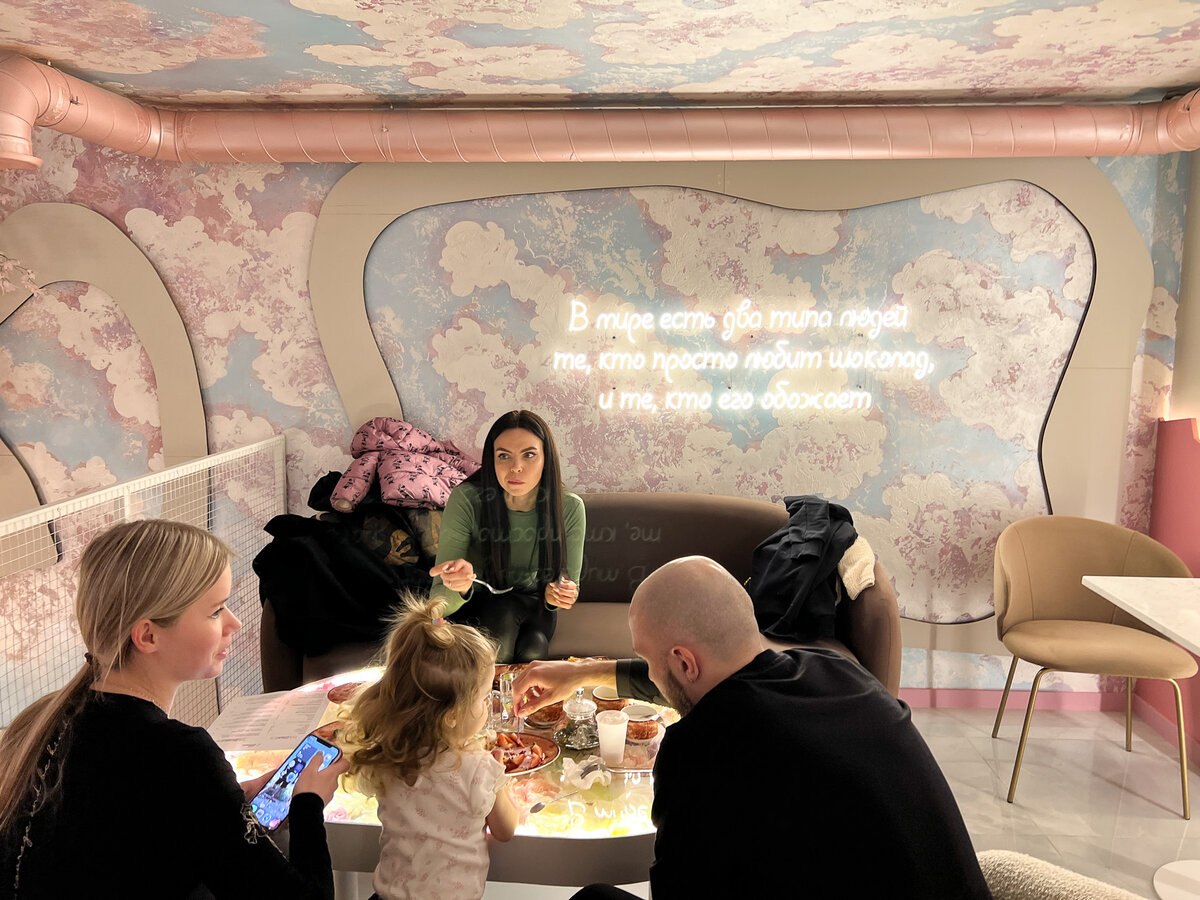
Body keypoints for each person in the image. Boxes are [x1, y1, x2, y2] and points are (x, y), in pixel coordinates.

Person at [514, 556, 993, 900]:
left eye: (649, 660)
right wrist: (583, 674)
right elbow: (702, 683)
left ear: (683, 662)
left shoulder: (698, 750)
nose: (651, 673)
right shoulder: (840, 673)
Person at [0, 519, 348, 899]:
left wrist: (224, 803)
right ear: (148, 635)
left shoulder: (39, 722)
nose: (234, 623)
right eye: (215, 611)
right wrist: (308, 803)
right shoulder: (178, 755)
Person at [341, 593, 519, 900]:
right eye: (483, 698)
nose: (488, 704)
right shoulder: (480, 768)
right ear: (451, 715)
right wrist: (498, 777)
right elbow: (505, 830)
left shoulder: (389, 755)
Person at [429, 409, 585, 663]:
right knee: (508, 639)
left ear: (546, 459)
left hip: (534, 605)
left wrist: (558, 593)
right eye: (504, 456)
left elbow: (569, 585)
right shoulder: (467, 499)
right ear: (491, 460)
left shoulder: (569, 507)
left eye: (529, 455)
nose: (516, 468)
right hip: (476, 606)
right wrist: (459, 586)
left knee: (533, 648)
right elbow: (437, 602)